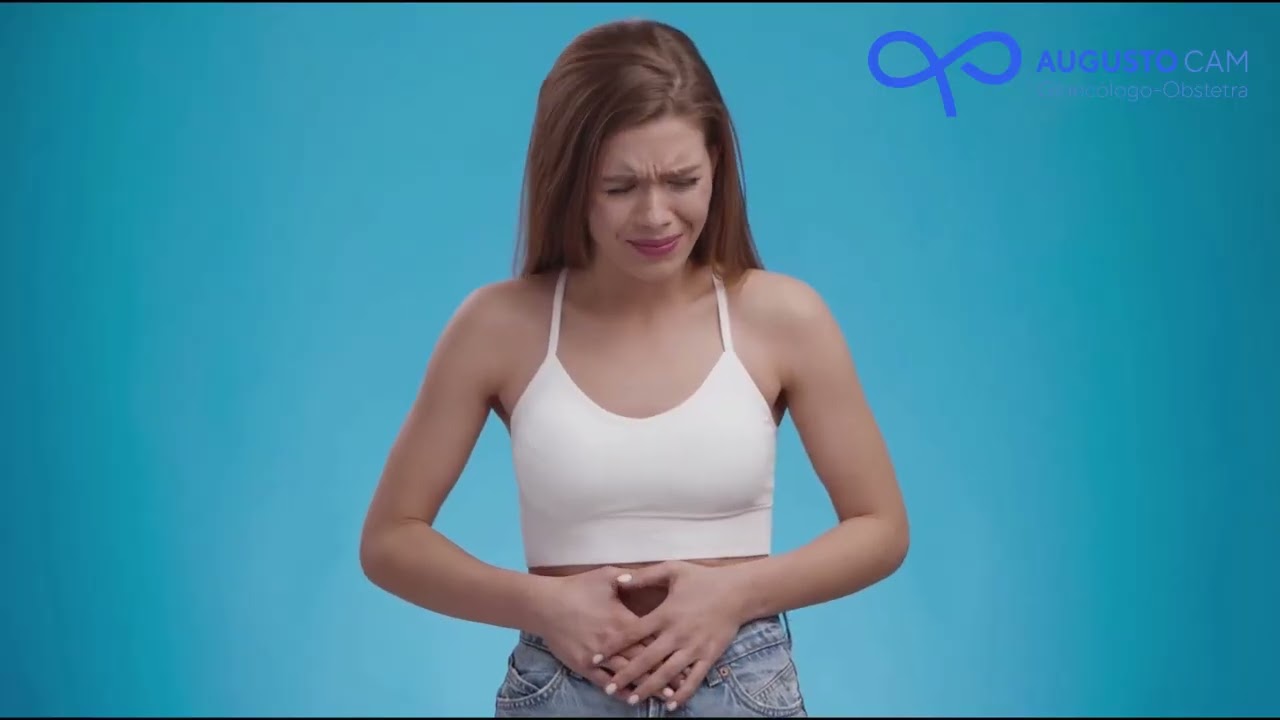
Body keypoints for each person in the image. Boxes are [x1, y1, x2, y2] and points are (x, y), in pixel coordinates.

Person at [358, 17, 910, 718]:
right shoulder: (499, 326)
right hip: (560, 691)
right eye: (619, 187)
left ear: (717, 166)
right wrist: (541, 604)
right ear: (569, 182)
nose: (655, 216)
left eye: (683, 180)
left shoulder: (783, 317)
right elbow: (391, 539)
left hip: (740, 687)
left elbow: (880, 526)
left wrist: (738, 594)